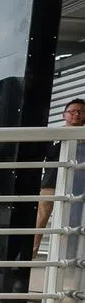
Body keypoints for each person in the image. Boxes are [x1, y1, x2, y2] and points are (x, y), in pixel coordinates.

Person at [34, 98, 85, 256]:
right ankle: (31, 253)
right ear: (64, 115)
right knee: (39, 220)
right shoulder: (55, 135)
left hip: (77, 187)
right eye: (72, 111)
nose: (76, 114)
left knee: (73, 222)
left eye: (80, 111)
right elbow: (44, 155)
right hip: (51, 184)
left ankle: (69, 257)